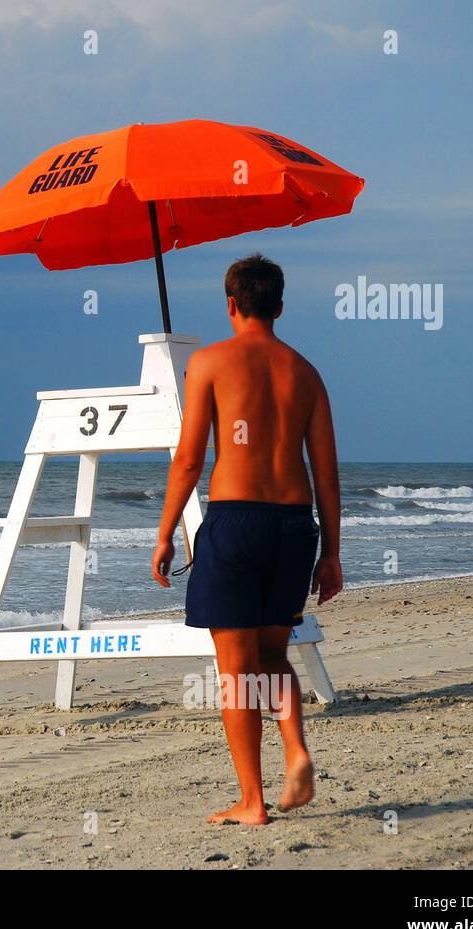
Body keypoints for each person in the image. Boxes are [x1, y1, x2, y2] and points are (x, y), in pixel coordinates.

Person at [151, 253, 343, 825]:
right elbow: (326, 471)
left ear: (231, 305)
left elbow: (188, 461)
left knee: (235, 669)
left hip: (235, 522)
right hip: (293, 526)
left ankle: (253, 801)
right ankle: (296, 749)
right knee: (271, 655)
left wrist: (164, 534)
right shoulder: (305, 373)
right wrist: (331, 552)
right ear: (279, 306)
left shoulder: (208, 362)